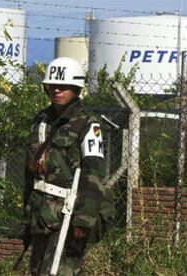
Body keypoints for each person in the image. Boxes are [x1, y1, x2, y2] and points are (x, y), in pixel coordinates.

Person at [23, 57, 115, 275]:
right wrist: (27, 216)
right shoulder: (41, 120)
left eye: (63, 86)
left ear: (76, 88)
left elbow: (94, 173)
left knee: (63, 271)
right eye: (53, 86)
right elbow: (31, 171)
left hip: (69, 212)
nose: (57, 90)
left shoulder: (88, 123)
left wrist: (83, 219)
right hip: (42, 213)